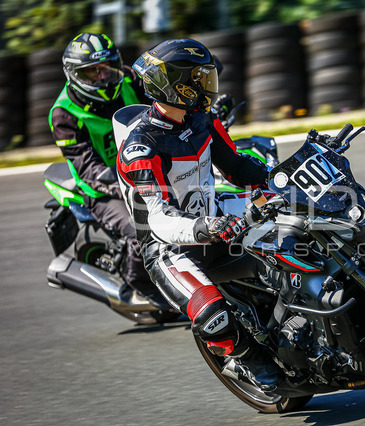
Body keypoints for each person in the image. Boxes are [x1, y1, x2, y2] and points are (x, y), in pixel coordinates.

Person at [115, 38, 283, 390]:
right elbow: (158, 218)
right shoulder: (140, 149)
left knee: (298, 223)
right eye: (199, 78)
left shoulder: (203, 119)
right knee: (212, 314)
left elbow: (236, 167)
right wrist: (207, 226)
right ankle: (245, 359)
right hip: (170, 249)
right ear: (175, 85)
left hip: (218, 220)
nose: (208, 84)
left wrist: (281, 178)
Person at [48, 33, 161, 305]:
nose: (102, 76)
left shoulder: (130, 79)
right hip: (104, 188)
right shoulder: (64, 114)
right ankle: (142, 287)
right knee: (145, 230)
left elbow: (166, 103)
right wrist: (119, 182)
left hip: (149, 164)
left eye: (107, 67)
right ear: (74, 74)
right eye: (92, 71)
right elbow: (86, 166)